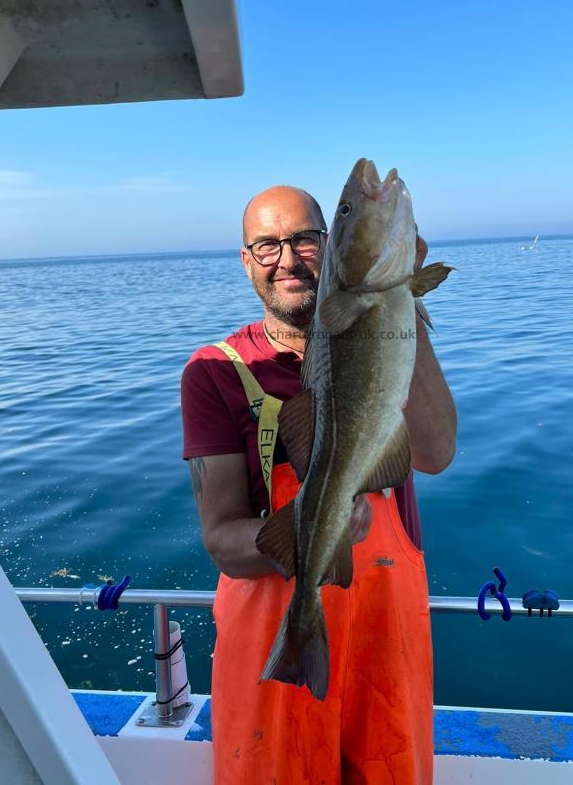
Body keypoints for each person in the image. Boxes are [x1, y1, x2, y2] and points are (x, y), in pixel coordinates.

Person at [181, 184, 456, 784]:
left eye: (304, 238)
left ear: (329, 248)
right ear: (246, 259)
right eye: (266, 245)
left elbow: (435, 454)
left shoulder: (389, 332)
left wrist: (402, 298)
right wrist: (317, 534)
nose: (287, 258)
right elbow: (221, 539)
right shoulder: (216, 373)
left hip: (387, 640)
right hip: (269, 635)